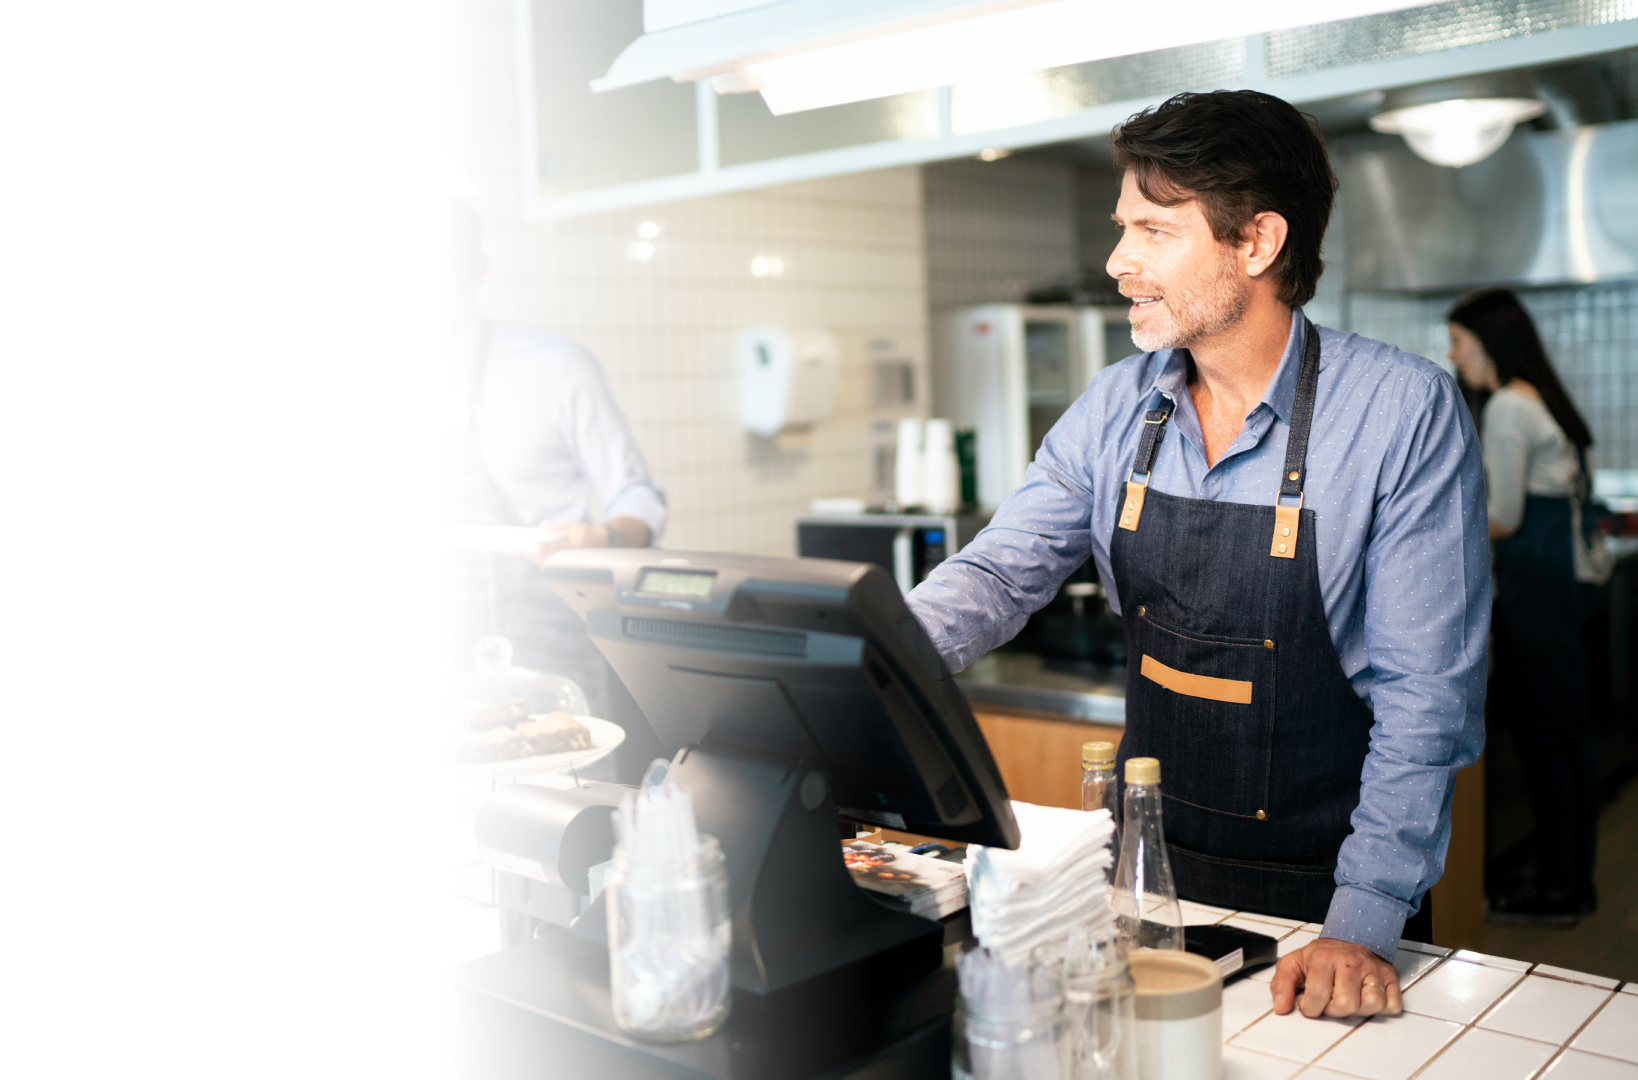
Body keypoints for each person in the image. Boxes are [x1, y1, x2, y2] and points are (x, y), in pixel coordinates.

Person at [905, 91, 1489, 1020]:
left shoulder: (1401, 412)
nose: (1117, 262)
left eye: (1153, 231)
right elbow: (994, 575)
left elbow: (1427, 700)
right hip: (1143, 875)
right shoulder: (1116, 404)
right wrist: (865, 664)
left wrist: (1364, 918)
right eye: (1120, 228)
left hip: (1326, 901)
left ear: (1256, 244)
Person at [442, 200, 667, 759]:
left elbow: (640, 497)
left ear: (476, 267)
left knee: (568, 800)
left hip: (551, 633)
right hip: (437, 635)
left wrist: (603, 537)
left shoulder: (553, 365)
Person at [1447, 288, 1611, 924]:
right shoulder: (1540, 400)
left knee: (1548, 744)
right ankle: (1572, 878)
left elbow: (1505, 517)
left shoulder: (1510, 407)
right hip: (1564, 588)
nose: (1455, 355)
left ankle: (1558, 891)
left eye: (1459, 341)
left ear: (1489, 342)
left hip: (1537, 591)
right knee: (1570, 742)